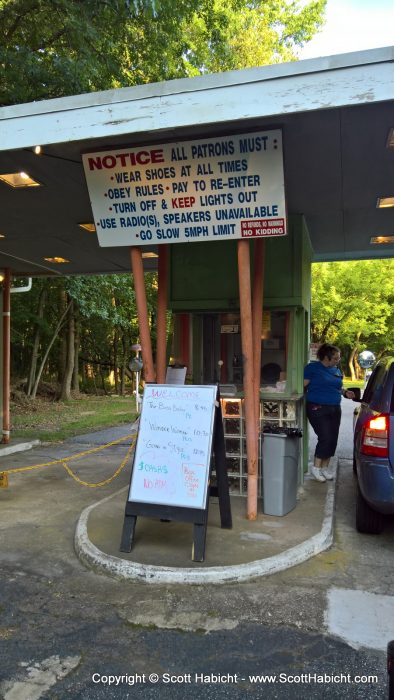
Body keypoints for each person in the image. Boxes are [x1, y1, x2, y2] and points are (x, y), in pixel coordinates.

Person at [304, 343, 355, 482]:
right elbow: (302, 385)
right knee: (325, 437)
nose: (338, 360)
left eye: (338, 358)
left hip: (335, 407)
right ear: (326, 357)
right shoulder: (312, 368)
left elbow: (338, 387)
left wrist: (346, 392)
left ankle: (325, 468)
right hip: (317, 407)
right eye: (336, 358)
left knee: (333, 439)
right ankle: (316, 468)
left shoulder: (336, 370)